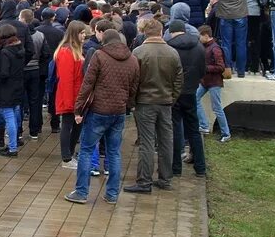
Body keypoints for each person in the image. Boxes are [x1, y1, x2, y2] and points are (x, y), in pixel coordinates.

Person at [64, 29, 139, 205]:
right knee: (114, 153)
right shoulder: (133, 60)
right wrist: (126, 104)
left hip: (98, 111)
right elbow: (134, 88)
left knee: (86, 150)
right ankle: (112, 194)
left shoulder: (99, 56)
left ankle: (82, 192)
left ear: (104, 40)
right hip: (118, 112)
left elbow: (87, 84)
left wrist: (78, 109)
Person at [124, 19, 183, 194]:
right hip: (165, 101)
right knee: (166, 141)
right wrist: (172, 97)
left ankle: (144, 181)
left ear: (144, 32)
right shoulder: (172, 52)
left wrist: (132, 101)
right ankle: (165, 178)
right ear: (161, 31)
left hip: (145, 102)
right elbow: (179, 79)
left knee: (147, 142)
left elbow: (133, 79)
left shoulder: (139, 52)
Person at [165, 20, 207, 177]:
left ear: (172, 31)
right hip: (191, 91)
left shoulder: (169, 47)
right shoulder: (199, 46)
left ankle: (176, 169)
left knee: (175, 129)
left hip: (174, 93)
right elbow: (203, 70)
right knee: (194, 129)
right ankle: (200, 167)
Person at [211, 0, 254, 78]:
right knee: (241, 43)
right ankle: (241, 71)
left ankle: (227, 69)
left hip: (225, 14)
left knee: (226, 43)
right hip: (240, 13)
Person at [54, 21, 88, 169]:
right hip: (70, 96)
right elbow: (67, 79)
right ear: (75, 34)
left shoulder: (74, 50)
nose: (84, 36)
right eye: (82, 33)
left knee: (75, 126)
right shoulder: (67, 52)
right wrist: (69, 103)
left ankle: (69, 155)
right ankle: (66, 157)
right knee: (68, 126)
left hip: (76, 96)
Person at [0, 24, 25, 157]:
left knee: (8, 116)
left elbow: (4, 72)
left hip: (7, 88)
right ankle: (14, 143)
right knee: (15, 114)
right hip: (18, 85)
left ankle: (12, 147)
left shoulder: (5, 52)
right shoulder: (20, 48)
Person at [196, 25, 231, 141]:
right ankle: (204, 126)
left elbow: (221, 67)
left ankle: (226, 133)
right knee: (195, 99)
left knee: (217, 108)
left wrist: (205, 68)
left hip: (214, 83)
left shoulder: (215, 49)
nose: (199, 38)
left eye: (200, 36)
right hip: (205, 81)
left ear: (206, 36)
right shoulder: (207, 47)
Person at [20, 8, 50, 139]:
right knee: (35, 101)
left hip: (21, 71)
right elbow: (46, 53)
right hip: (35, 70)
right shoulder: (40, 35)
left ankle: (19, 130)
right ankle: (34, 130)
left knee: (20, 101)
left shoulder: (19, 35)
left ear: (22, 18)